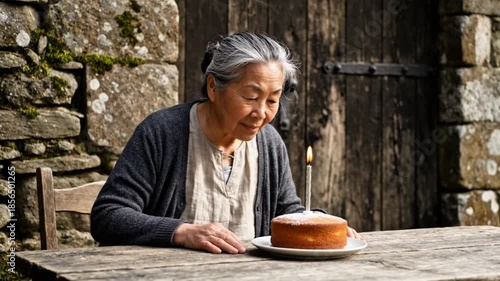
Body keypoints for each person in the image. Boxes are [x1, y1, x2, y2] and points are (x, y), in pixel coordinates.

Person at [90, 31, 362, 254]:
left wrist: (317, 223)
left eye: (272, 100)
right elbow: (108, 215)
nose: (261, 114)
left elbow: (286, 211)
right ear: (213, 87)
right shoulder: (163, 133)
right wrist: (181, 231)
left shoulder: (269, 143)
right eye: (250, 97)